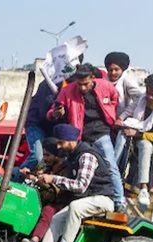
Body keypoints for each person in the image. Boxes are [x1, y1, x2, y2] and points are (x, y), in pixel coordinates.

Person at [25, 124, 115, 242]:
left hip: (103, 198)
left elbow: (81, 186)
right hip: (88, 200)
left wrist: (54, 179)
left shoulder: (87, 156)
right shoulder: (73, 157)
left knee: (75, 207)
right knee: (56, 219)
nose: (59, 146)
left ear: (70, 140)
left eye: (61, 142)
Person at [47, 63, 125, 212]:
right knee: (74, 167)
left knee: (110, 165)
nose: (82, 88)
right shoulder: (67, 91)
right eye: (79, 84)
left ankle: (119, 201)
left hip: (101, 132)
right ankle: (68, 199)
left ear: (93, 78)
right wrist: (57, 113)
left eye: (86, 84)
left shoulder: (105, 86)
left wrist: (110, 112)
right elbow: (51, 112)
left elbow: (115, 98)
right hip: (80, 135)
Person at [118, 74, 153, 225]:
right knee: (145, 145)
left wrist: (139, 133)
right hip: (142, 141)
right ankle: (144, 188)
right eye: (148, 92)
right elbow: (129, 111)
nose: (150, 97)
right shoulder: (142, 99)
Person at [19, 137, 73, 242]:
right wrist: (28, 174)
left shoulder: (66, 169)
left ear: (57, 156)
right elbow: (36, 175)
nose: (44, 158)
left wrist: (37, 180)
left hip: (59, 203)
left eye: (48, 155)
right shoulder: (45, 165)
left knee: (48, 211)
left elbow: (57, 191)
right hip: (42, 199)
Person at [21, 78, 61, 171]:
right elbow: (43, 110)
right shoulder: (49, 83)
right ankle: (16, 179)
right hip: (35, 123)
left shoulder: (70, 84)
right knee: (37, 157)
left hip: (49, 126)